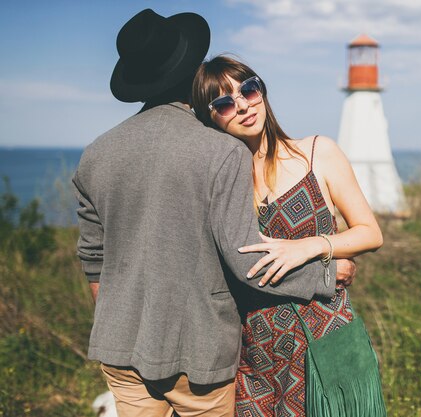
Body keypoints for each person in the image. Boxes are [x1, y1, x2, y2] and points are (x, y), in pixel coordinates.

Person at [72, 10, 354, 417]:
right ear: (192, 74)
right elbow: (245, 261)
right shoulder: (220, 152)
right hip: (198, 354)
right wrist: (328, 273)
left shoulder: (96, 154)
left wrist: (123, 316)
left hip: (119, 348)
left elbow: (93, 259)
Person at [192, 55, 383, 416]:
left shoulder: (316, 153)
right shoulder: (219, 187)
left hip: (327, 344)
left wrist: (313, 246)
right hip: (254, 360)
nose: (244, 105)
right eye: (225, 102)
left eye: (249, 89)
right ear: (210, 117)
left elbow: (370, 233)